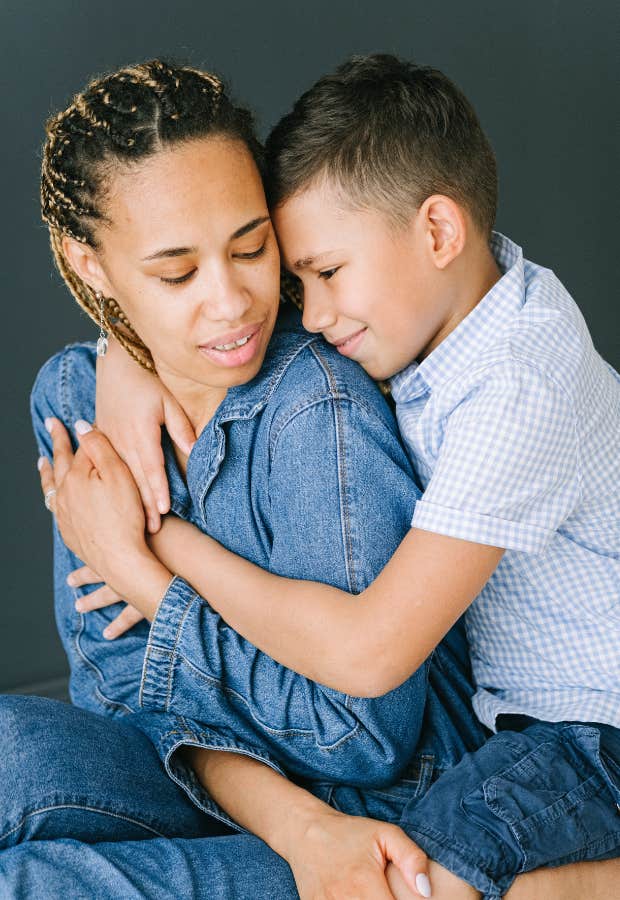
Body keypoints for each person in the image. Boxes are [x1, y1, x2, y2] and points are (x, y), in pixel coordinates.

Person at [85, 55, 620, 899]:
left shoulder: (520, 385)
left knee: (414, 877)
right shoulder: (426, 300)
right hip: (489, 701)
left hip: (595, 732)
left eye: (324, 274)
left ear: (439, 232)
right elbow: (204, 303)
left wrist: (154, 550)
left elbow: (370, 656)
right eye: (296, 278)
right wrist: (127, 357)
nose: (311, 311)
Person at [10, 57, 485, 900]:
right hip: (214, 776)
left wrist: (149, 573)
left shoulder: (316, 408)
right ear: (91, 266)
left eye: (251, 247)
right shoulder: (76, 400)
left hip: (377, 804)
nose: (231, 304)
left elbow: (362, 739)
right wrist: (293, 826)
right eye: (175, 273)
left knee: (34, 883)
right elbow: (119, 689)